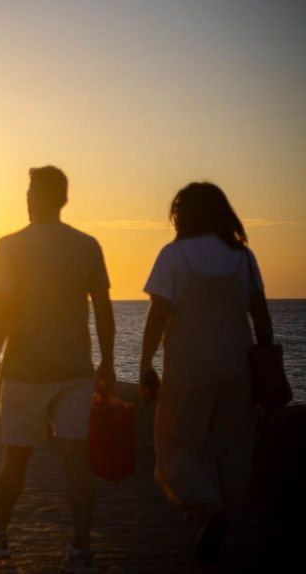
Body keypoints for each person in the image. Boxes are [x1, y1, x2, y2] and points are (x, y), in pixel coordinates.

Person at [0, 166, 115, 572]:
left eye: (30, 192)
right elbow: (103, 310)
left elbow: (2, 312)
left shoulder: (10, 246)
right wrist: (106, 360)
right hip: (75, 369)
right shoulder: (87, 246)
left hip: (24, 371)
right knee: (76, 458)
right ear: (64, 199)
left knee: (16, 458)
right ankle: (80, 549)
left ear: (37, 198)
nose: (27, 199)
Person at [139, 182, 271, 565]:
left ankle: (208, 509)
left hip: (190, 367)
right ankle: (221, 517)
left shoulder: (175, 255)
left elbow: (157, 316)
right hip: (238, 366)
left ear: (183, 214)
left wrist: (145, 364)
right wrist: (266, 361)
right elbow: (260, 315)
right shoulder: (242, 258)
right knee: (228, 448)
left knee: (174, 441)